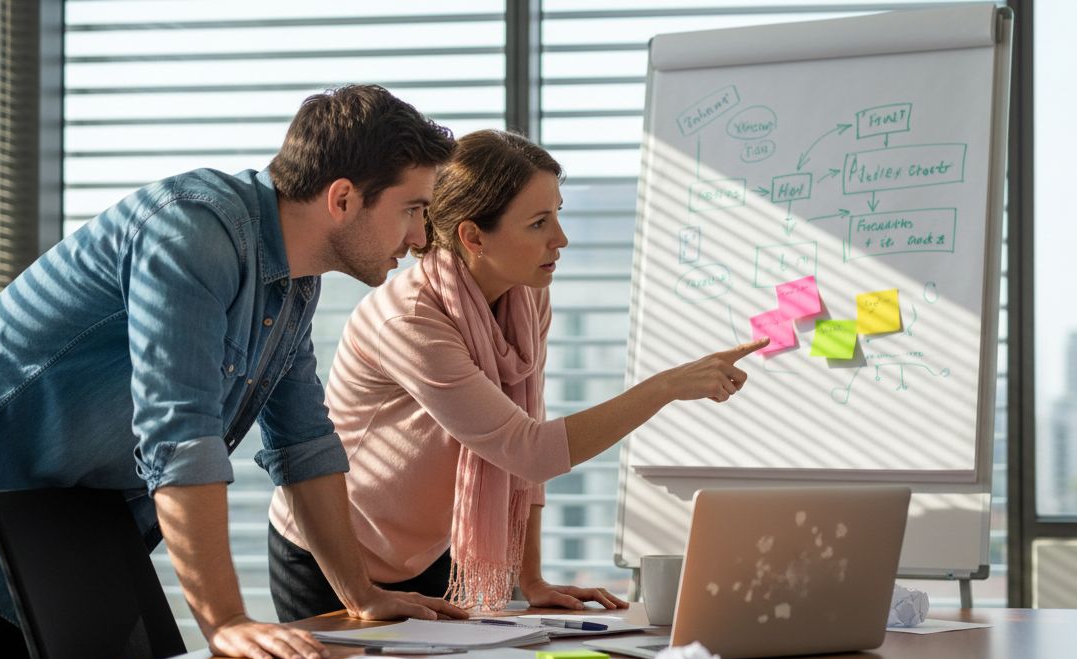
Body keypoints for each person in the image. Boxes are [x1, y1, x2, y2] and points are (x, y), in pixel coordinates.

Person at [0, 85, 469, 659]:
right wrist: (225, 620)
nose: (421, 237)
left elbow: (304, 443)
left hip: (74, 513)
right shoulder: (193, 228)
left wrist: (360, 594)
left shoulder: (293, 285)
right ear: (342, 199)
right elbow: (178, 437)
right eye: (412, 210)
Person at [268, 130, 766, 620]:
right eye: (538, 223)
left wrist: (532, 580)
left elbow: (526, 435)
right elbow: (529, 450)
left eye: (558, 215)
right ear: (473, 236)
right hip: (333, 557)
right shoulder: (410, 320)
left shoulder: (527, 298)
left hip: (430, 554)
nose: (561, 239)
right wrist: (667, 387)